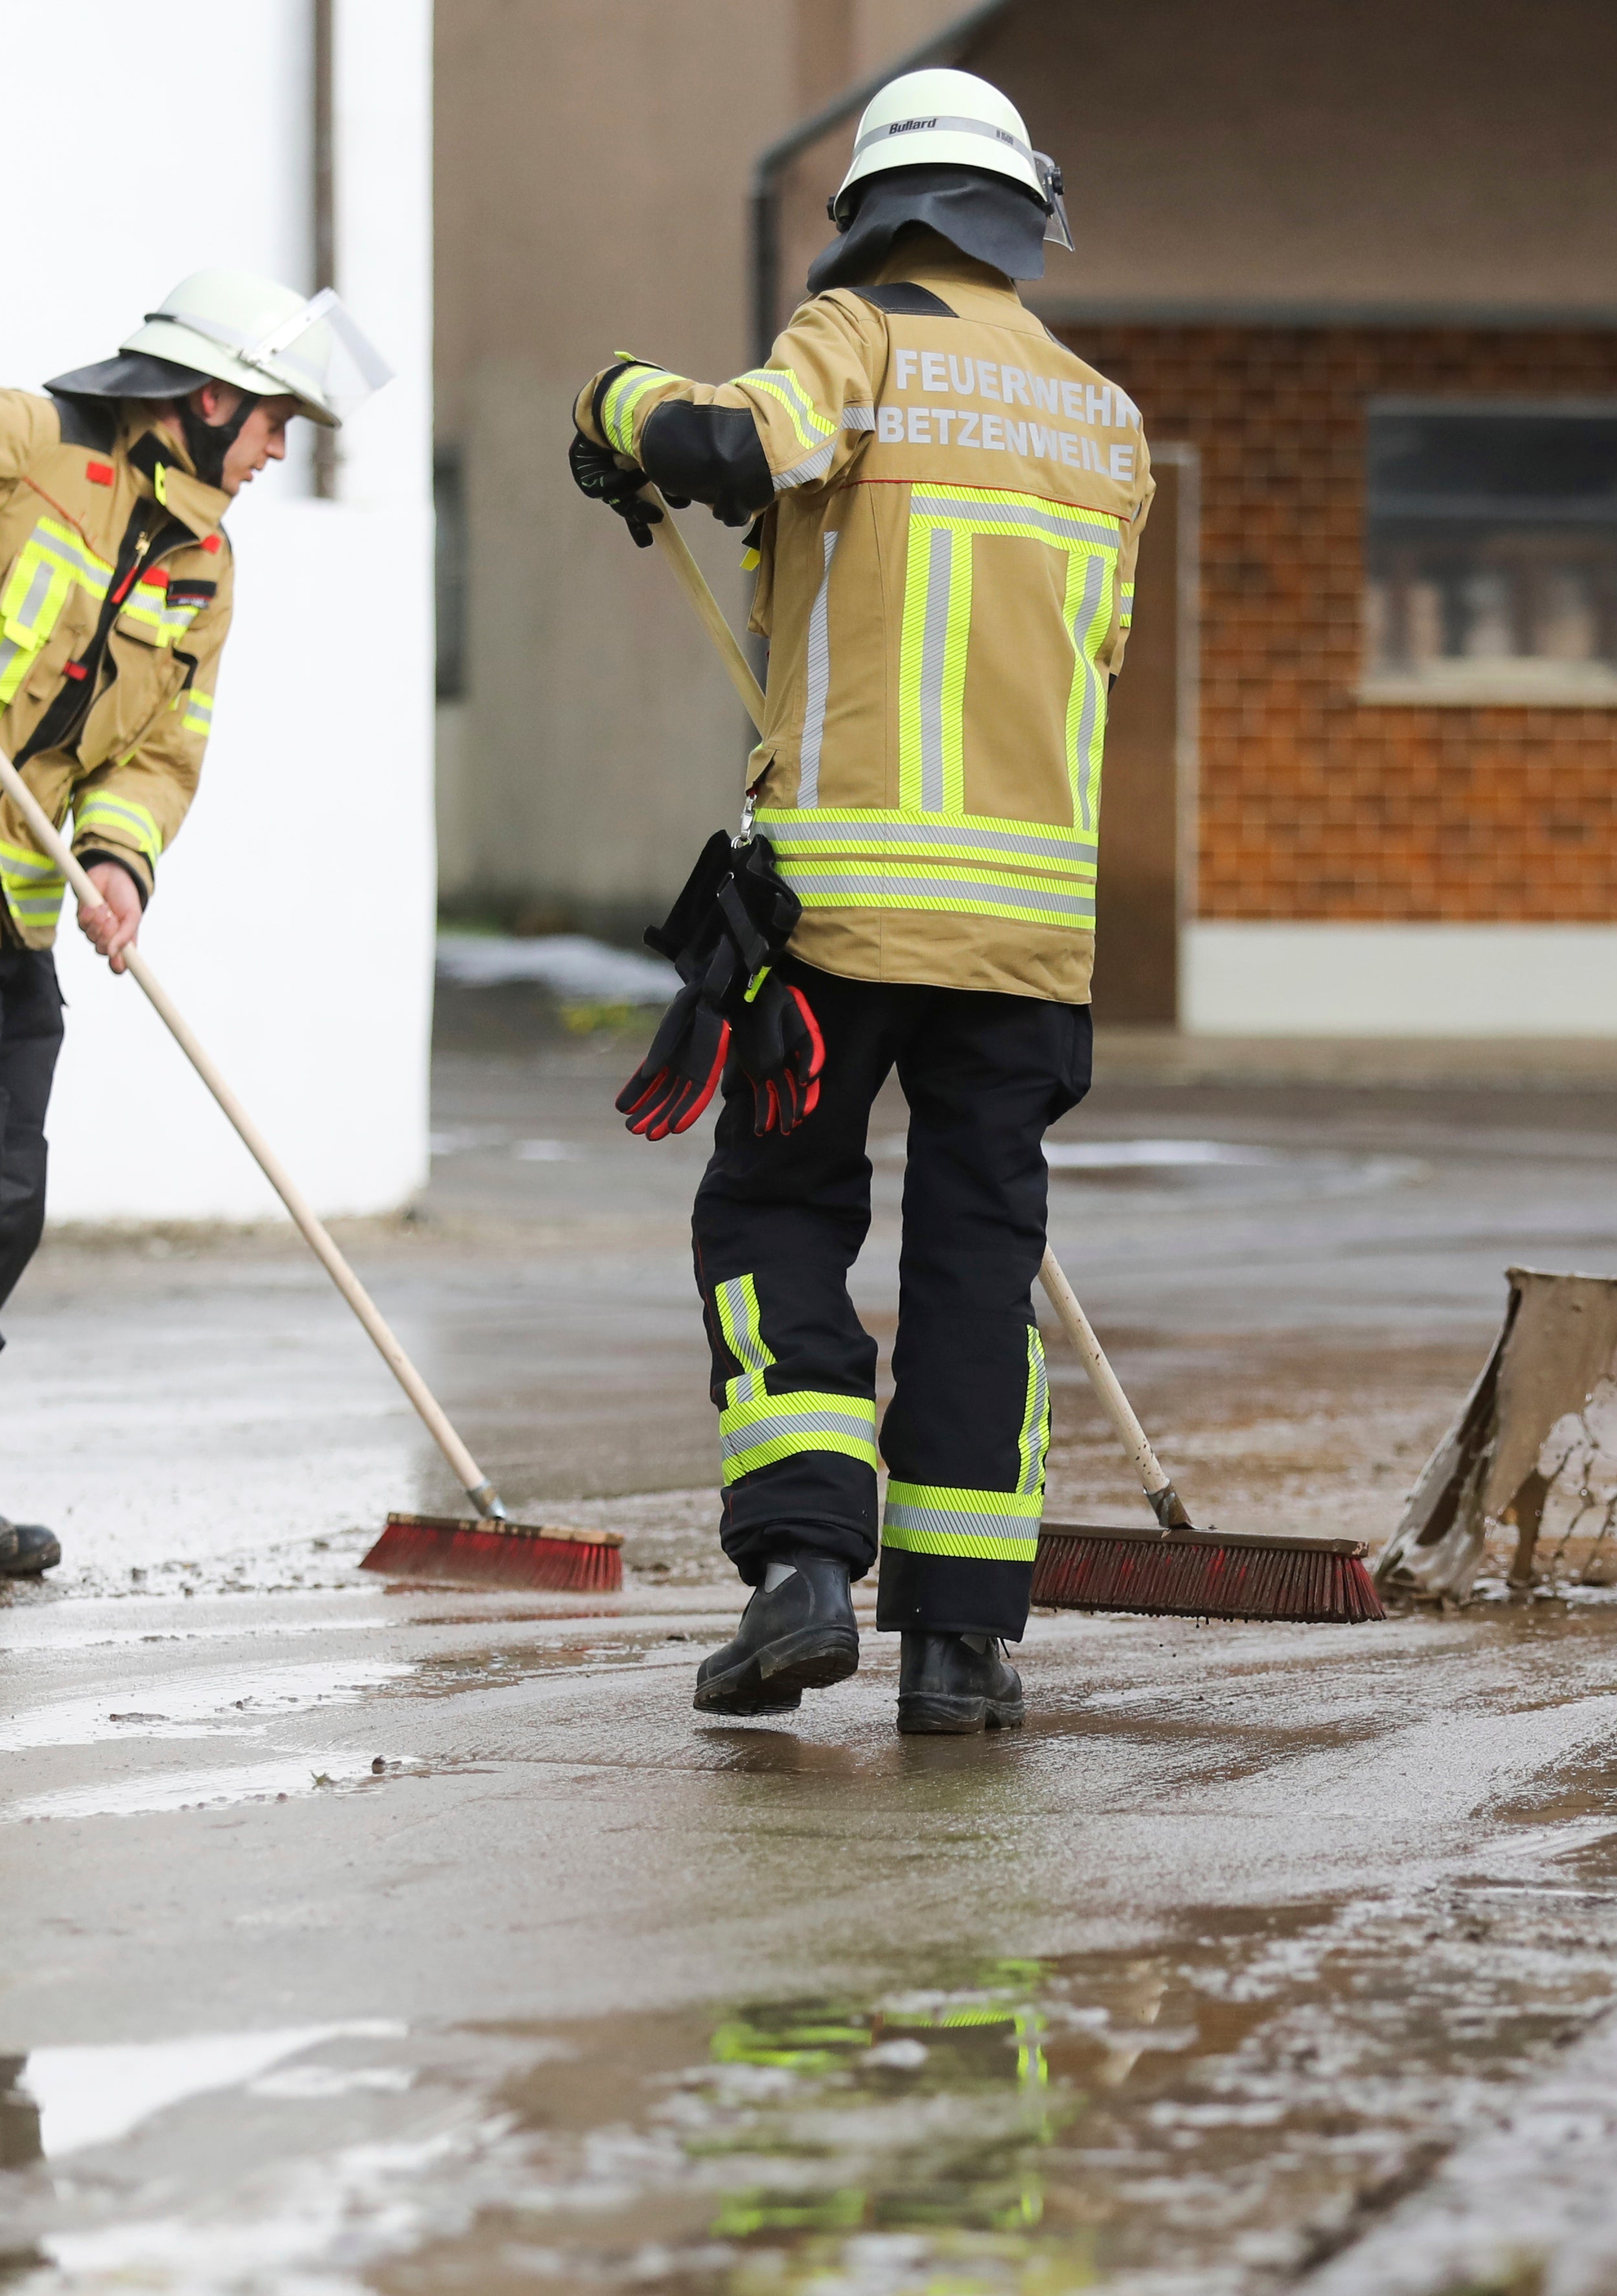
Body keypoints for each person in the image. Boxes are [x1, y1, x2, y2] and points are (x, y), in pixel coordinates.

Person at [568, 67, 1155, 1733]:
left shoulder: (857, 339)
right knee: (982, 1262)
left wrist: (616, 408)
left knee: (776, 1210)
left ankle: (803, 1575)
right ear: (1018, 224)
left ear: (878, 217)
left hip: (835, 919)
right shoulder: (1108, 426)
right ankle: (960, 1652)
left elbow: (725, 446)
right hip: (1030, 940)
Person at [0, 271, 388, 1573]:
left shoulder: (205, 564)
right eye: (277, 419)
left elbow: (163, 749)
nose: (281, 448)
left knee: (3, 1194)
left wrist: (118, 862)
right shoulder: (29, 440)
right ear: (210, 397)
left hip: (19, 901)